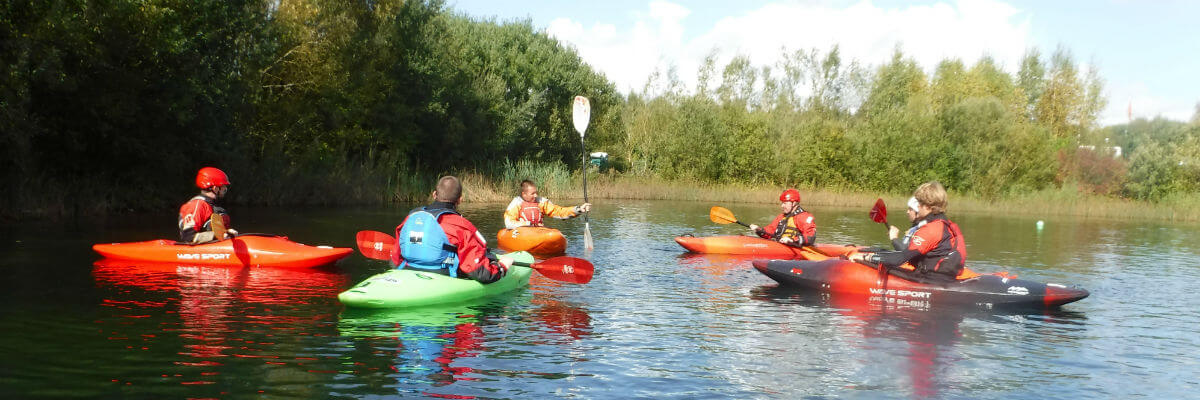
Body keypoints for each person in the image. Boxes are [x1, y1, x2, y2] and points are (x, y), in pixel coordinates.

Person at [393, 176, 513, 284]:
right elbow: (480, 273)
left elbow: (395, 260)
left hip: (406, 271)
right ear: (460, 199)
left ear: (434, 194)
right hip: (442, 277)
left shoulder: (410, 218)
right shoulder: (462, 226)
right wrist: (501, 267)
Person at [848, 181, 968, 283]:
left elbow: (900, 258)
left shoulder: (931, 229)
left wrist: (866, 257)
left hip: (930, 281)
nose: (918, 207)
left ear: (929, 206)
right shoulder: (946, 224)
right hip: (944, 279)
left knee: (865, 262)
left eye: (920, 204)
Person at [178, 167, 238, 243]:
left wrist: (227, 233)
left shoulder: (213, 206)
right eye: (223, 186)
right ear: (215, 188)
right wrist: (215, 236)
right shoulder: (198, 205)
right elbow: (188, 237)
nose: (225, 189)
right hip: (199, 251)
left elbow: (218, 232)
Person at [503, 180, 592, 230]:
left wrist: (579, 209)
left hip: (539, 231)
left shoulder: (541, 202)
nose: (536, 195)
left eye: (536, 193)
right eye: (532, 193)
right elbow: (509, 223)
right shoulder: (516, 203)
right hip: (522, 232)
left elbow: (558, 211)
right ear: (524, 194)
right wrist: (529, 223)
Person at [747, 188, 817, 246]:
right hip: (779, 245)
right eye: (782, 203)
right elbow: (770, 231)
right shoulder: (781, 217)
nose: (782, 206)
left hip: (795, 248)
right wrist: (759, 230)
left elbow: (810, 237)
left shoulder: (804, 217)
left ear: (794, 203)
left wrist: (792, 240)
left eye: (785, 203)